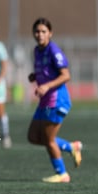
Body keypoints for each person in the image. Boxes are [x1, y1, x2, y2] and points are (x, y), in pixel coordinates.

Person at [27, 17, 83, 183]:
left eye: (44, 31)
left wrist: (46, 86)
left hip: (57, 100)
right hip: (45, 101)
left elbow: (66, 75)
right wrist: (35, 76)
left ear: (50, 33)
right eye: (37, 31)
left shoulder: (54, 51)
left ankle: (62, 174)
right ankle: (71, 147)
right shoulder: (37, 50)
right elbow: (46, 71)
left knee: (48, 139)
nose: (40, 34)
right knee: (33, 136)